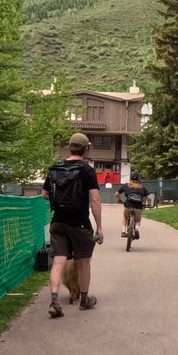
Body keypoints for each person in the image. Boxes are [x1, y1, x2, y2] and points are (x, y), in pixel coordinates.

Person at [44, 133, 103, 318]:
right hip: (79, 224)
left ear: (70, 147)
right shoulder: (87, 170)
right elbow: (94, 200)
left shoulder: (54, 168)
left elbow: (45, 194)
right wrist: (99, 227)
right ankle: (84, 301)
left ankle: (54, 301)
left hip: (58, 222)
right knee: (84, 262)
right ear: (86, 149)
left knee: (58, 262)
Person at [119, 171, 149, 244]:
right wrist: (148, 203)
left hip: (128, 205)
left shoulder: (126, 185)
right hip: (138, 206)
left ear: (130, 178)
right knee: (138, 220)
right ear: (139, 179)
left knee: (125, 216)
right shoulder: (142, 187)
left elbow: (116, 193)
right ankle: (136, 228)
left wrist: (119, 199)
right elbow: (149, 198)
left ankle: (123, 231)